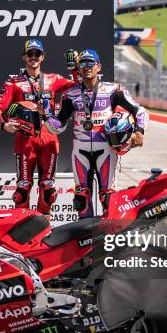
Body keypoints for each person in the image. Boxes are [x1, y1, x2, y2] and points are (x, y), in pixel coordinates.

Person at [46, 49, 147, 218]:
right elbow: (60, 124)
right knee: (81, 199)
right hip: (80, 150)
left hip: (106, 149)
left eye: (90, 63)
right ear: (79, 67)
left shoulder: (113, 90)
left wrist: (139, 131)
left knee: (108, 197)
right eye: (83, 63)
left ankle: (109, 237)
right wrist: (47, 118)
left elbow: (140, 110)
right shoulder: (70, 94)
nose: (87, 67)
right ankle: (87, 239)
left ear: (98, 67)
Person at [0, 39, 79, 216]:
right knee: (22, 190)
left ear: (43, 57)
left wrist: (74, 69)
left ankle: (44, 227)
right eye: (30, 54)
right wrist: (4, 125)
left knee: (49, 190)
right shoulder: (14, 83)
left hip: (49, 138)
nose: (33, 57)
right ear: (24, 57)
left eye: (37, 54)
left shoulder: (53, 79)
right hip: (25, 140)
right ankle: (22, 229)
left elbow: (79, 87)